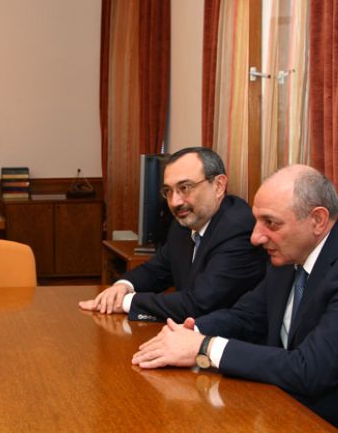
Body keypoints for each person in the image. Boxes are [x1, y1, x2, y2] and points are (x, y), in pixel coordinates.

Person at [132, 165, 338, 427]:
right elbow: (246, 316)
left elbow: (310, 369)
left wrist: (204, 347)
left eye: (270, 223)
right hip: (277, 405)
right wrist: (190, 332)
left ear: (318, 220)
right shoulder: (288, 256)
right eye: (257, 221)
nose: (255, 237)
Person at [79, 147, 267, 322]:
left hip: (228, 341)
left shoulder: (238, 228)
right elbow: (156, 270)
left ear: (218, 186)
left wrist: (126, 302)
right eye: (168, 191)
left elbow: (199, 304)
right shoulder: (184, 224)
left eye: (185, 188)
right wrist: (123, 286)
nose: (175, 202)